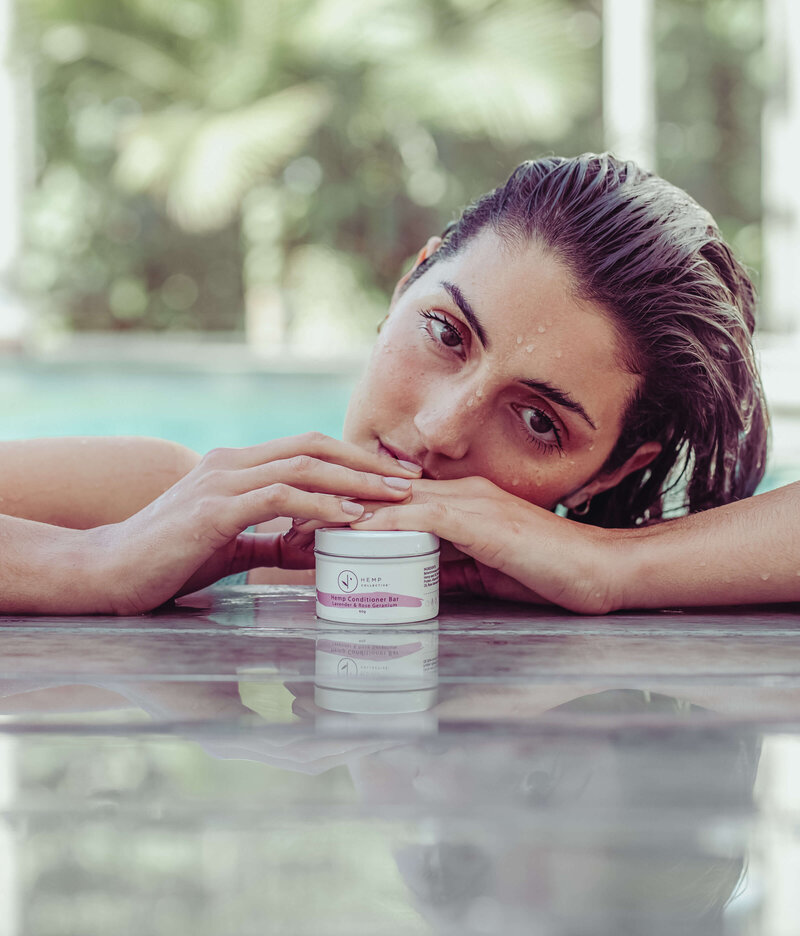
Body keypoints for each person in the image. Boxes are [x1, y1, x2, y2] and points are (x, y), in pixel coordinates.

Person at [1, 152, 792, 616]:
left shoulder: (656, 573)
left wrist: (614, 567)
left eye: (540, 422)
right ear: (409, 283)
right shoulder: (163, 501)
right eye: (446, 333)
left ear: (614, 468)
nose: (444, 429)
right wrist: (92, 565)